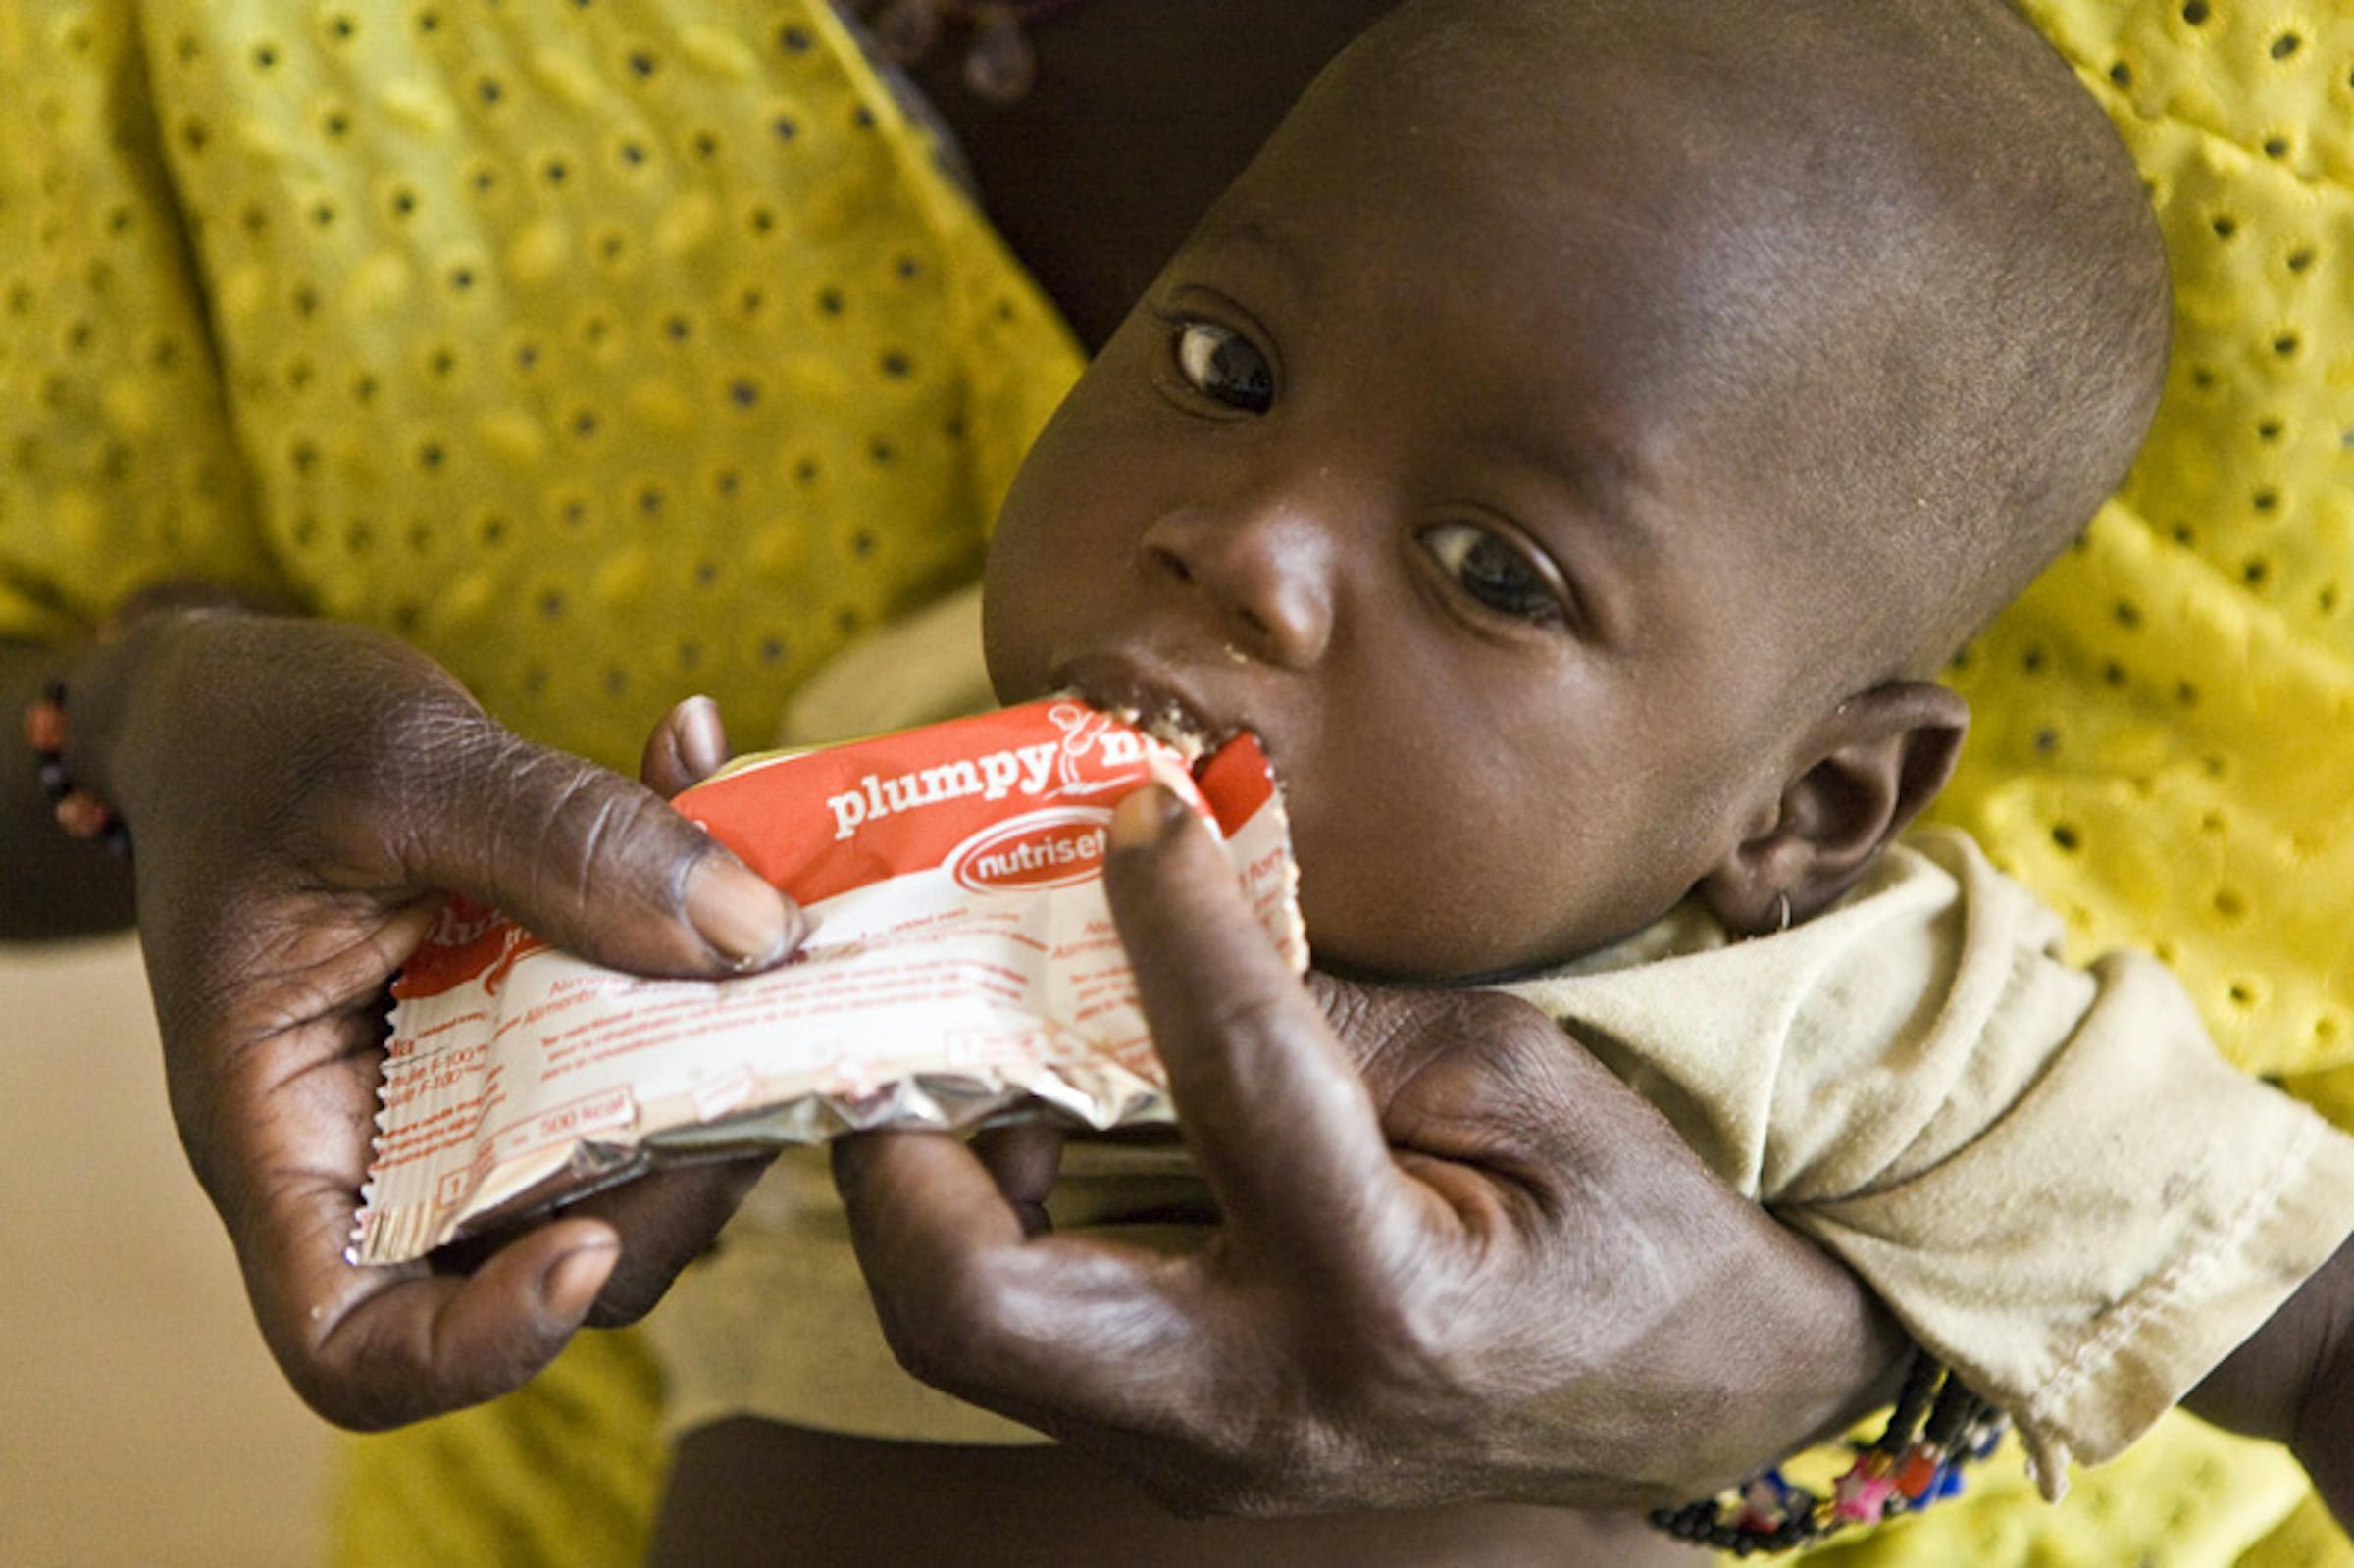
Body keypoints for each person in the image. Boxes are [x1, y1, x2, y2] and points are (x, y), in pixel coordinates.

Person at [0, 0, 2345, 1563]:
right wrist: (193, 743)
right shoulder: (897, 746)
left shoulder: (1872, 1011)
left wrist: (1830, 1390)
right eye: (1223, 361)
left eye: (1494, 566)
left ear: (1806, 808)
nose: (1243, 538)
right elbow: (541, 1099)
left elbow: (2310, 1324)